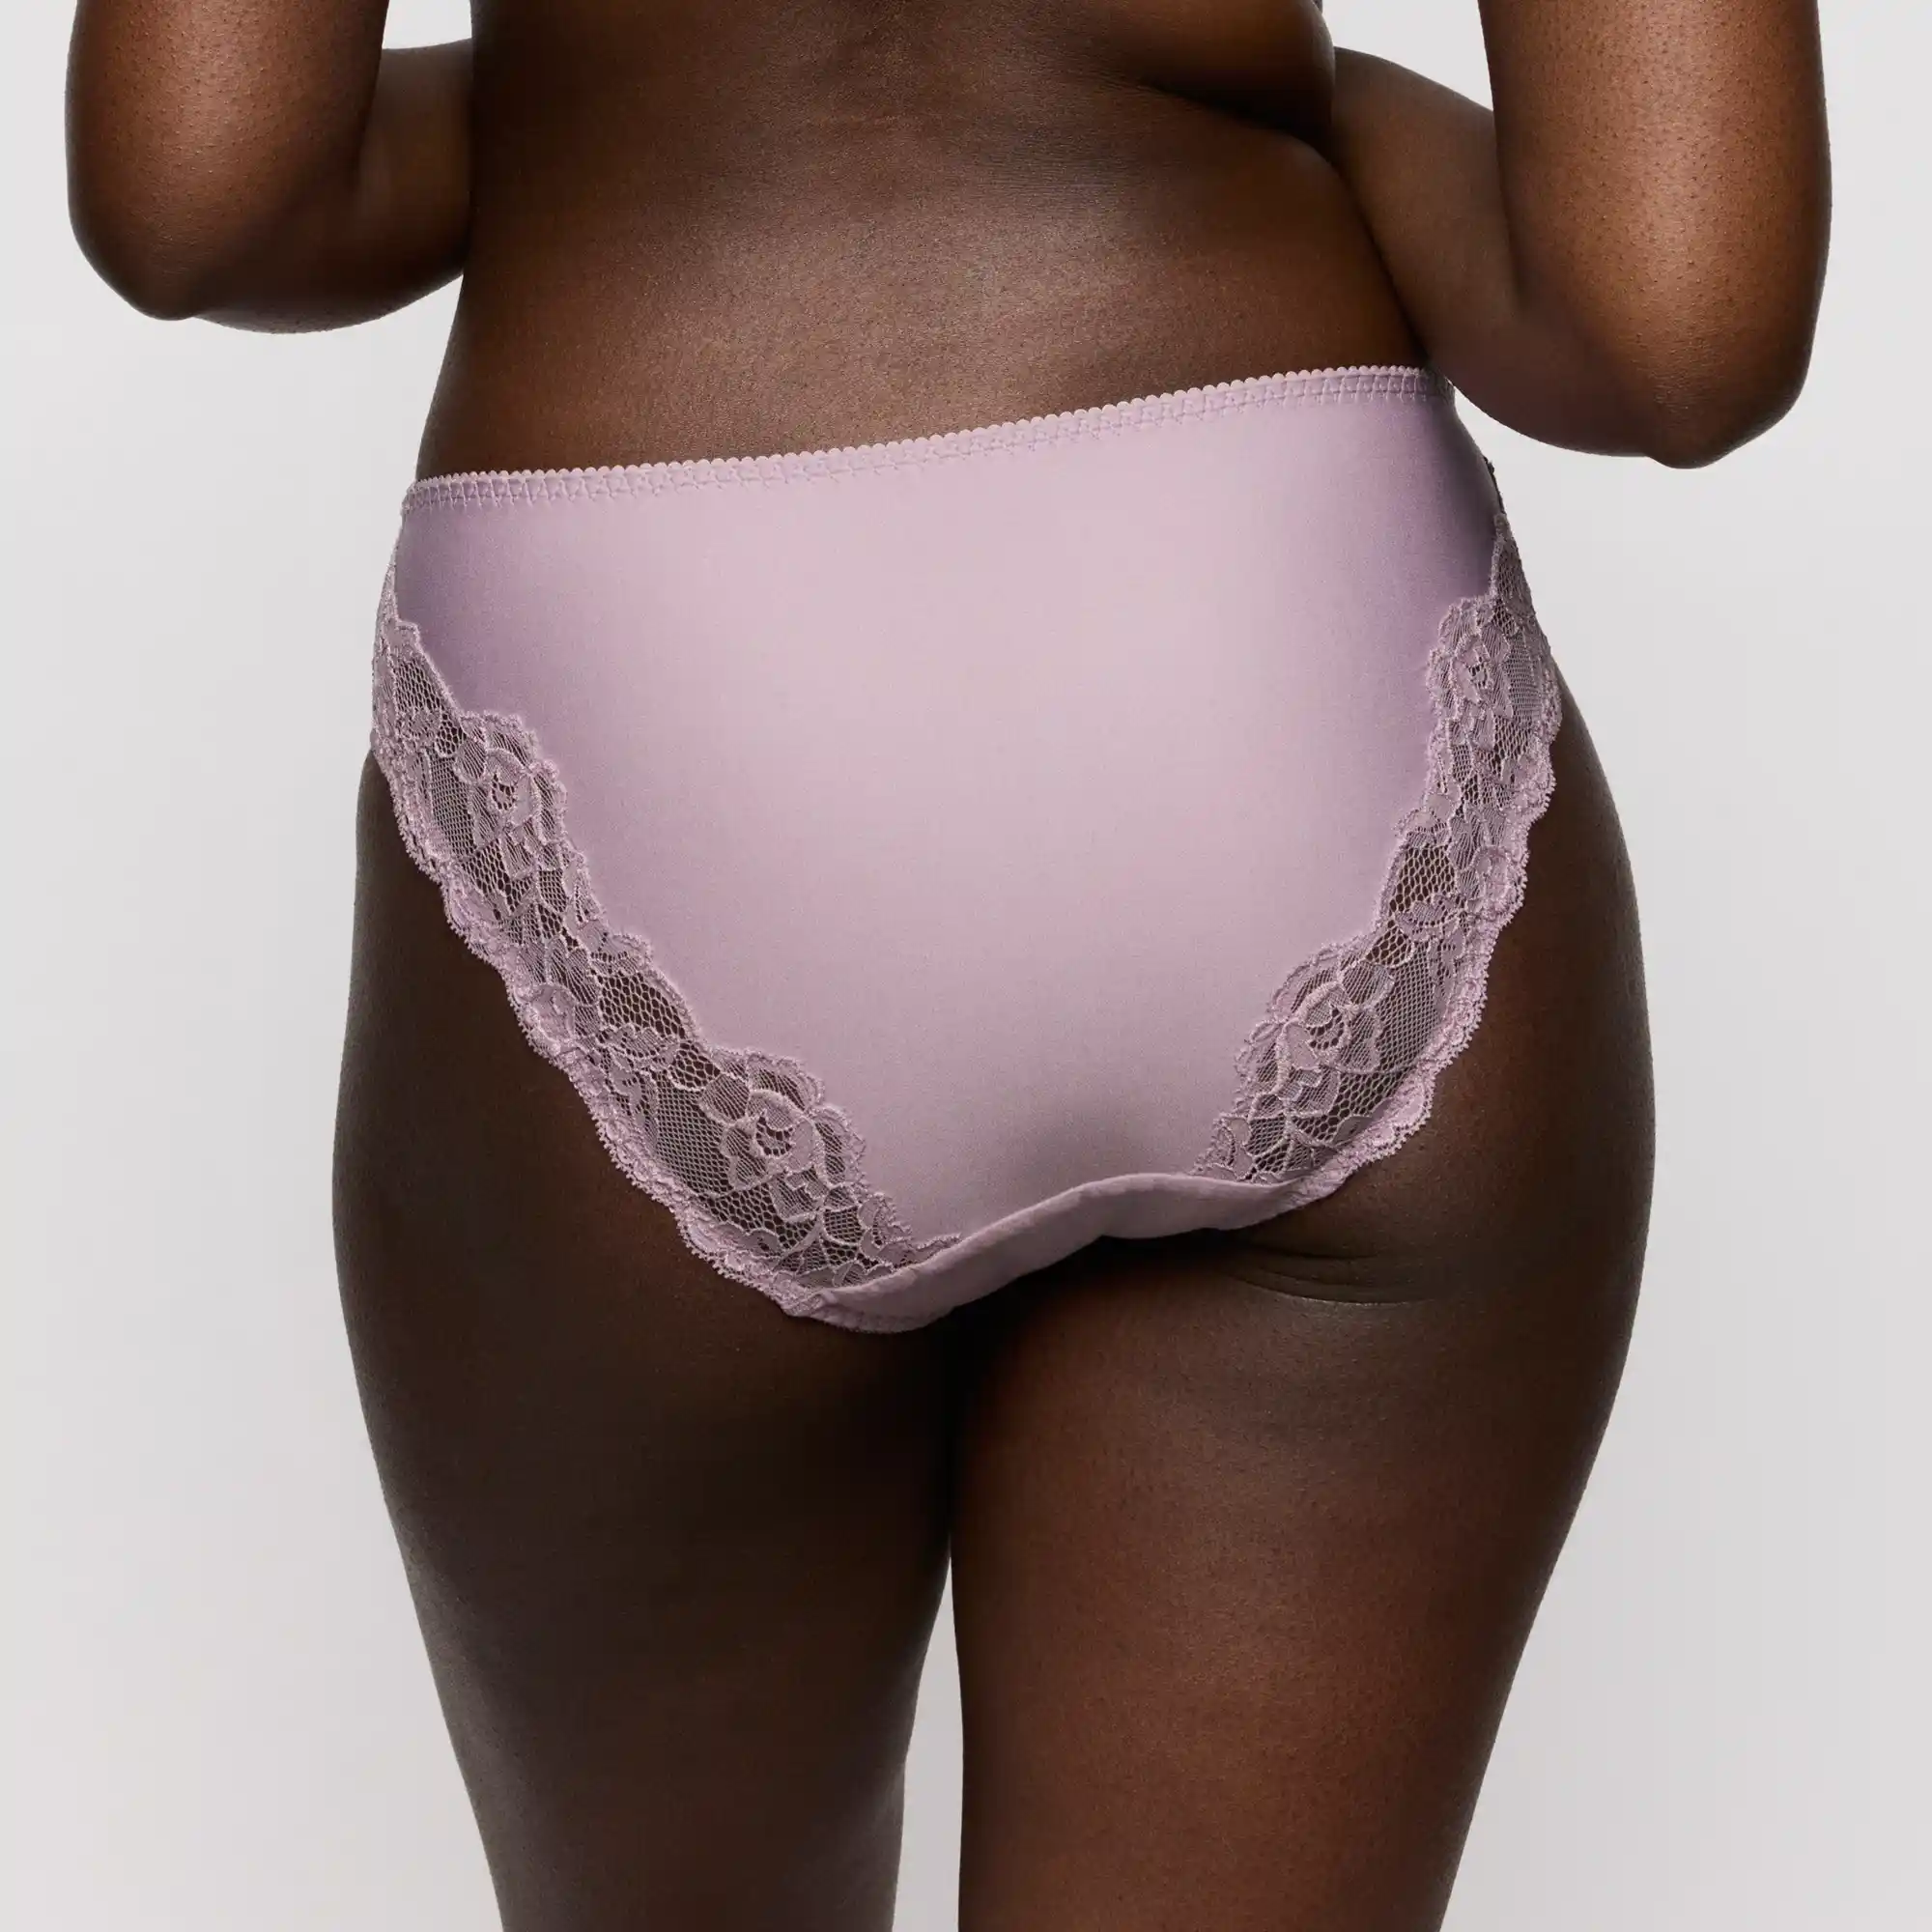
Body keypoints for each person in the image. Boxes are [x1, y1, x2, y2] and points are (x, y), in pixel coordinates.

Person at [65, 3, 1828, 1925]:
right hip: (1272, 629)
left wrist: (592, 114)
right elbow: (1675, 324)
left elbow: (208, 202)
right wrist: (1316, 116)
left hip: (671, 666)